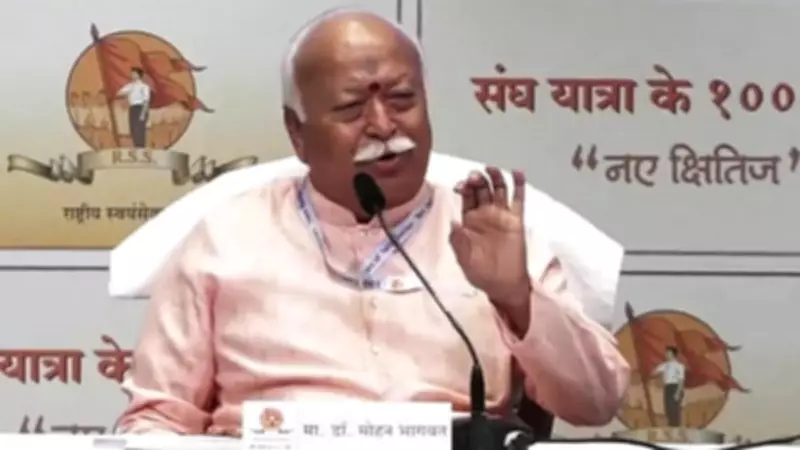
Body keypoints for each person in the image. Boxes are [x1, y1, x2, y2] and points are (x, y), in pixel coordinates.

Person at [115, 8, 630, 435]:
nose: (384, 126)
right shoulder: (226, 238)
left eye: (403, 100)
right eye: (351, 108)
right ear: (297, 133)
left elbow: (597, 403)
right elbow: (158, 418)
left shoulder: (486, 231)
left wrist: (516, 298)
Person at [116, 67, 151, 148]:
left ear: (139, 75)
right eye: (132, 73)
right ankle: (136, 147)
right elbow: (119, 93)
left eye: (134, 73)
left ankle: (141, 148)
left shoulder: (144, 86)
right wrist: (127, 94)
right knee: (133, 129)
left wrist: (143, 114)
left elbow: (146, 101)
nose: (132, 75)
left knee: (140, 130)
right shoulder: (130, 86)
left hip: (141, 108)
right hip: (132, 108)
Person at [652, 346, 685, 427]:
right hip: (667, 388)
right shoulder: (664, 365)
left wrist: (678, 393)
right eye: (666, 353)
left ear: (673, 354)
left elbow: (681, 381)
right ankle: (671, 426)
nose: (666, 354)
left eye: (668, 353)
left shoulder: (679, 366)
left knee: (674, 409)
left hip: (675, 387)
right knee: (668, 408)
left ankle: (676, 427)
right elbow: (654, 372)